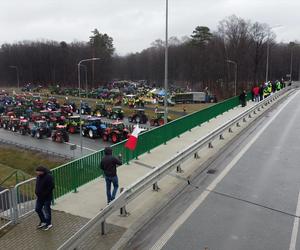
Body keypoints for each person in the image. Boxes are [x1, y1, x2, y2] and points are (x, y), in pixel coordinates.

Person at [35, 166, 54, 231]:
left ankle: (48, 223)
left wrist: (44, 194)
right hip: (39, 197)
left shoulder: (49, 177)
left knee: (47, 210)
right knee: (37, 209)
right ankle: (43, 221)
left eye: (38, 171)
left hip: (47, 197)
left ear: (42, 171)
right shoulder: (38, 177)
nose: (36, 172)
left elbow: (51, 187)